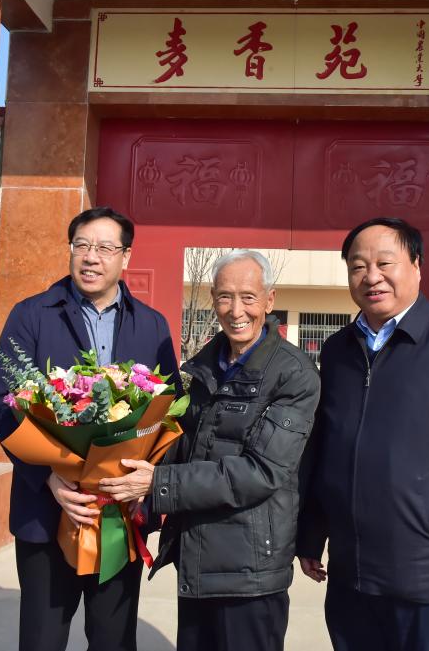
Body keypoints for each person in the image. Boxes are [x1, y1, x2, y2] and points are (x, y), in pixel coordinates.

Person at [296, 217, 429, 651]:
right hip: (350, 579)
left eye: (384, 263)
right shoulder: (338, 350)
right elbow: (326, 451)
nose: (371, 277)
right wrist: (310, 535)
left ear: (416, 265)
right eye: (358, 266)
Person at [100, 250, 321, 651]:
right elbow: (182, 445)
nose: (236, 311)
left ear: (269, 300)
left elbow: (261, 471)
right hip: (197, 557)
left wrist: (156, 483)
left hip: (250, 571)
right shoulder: (202, 366)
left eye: (248, 297)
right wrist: (130, 482)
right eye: (224, 297)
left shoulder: (293, 374)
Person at [0, 207, 179, 651]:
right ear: (71, 250)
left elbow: (168, 409)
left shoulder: (152, 324)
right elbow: (3, 403)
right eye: (83, 245)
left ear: (126, 257)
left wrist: (142, 480)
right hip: (48, 512)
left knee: (114, 640)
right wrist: (48, 477)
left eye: (106, 248)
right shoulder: (31, 315)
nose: (92, 257)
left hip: (120, 513)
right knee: (42, 639)